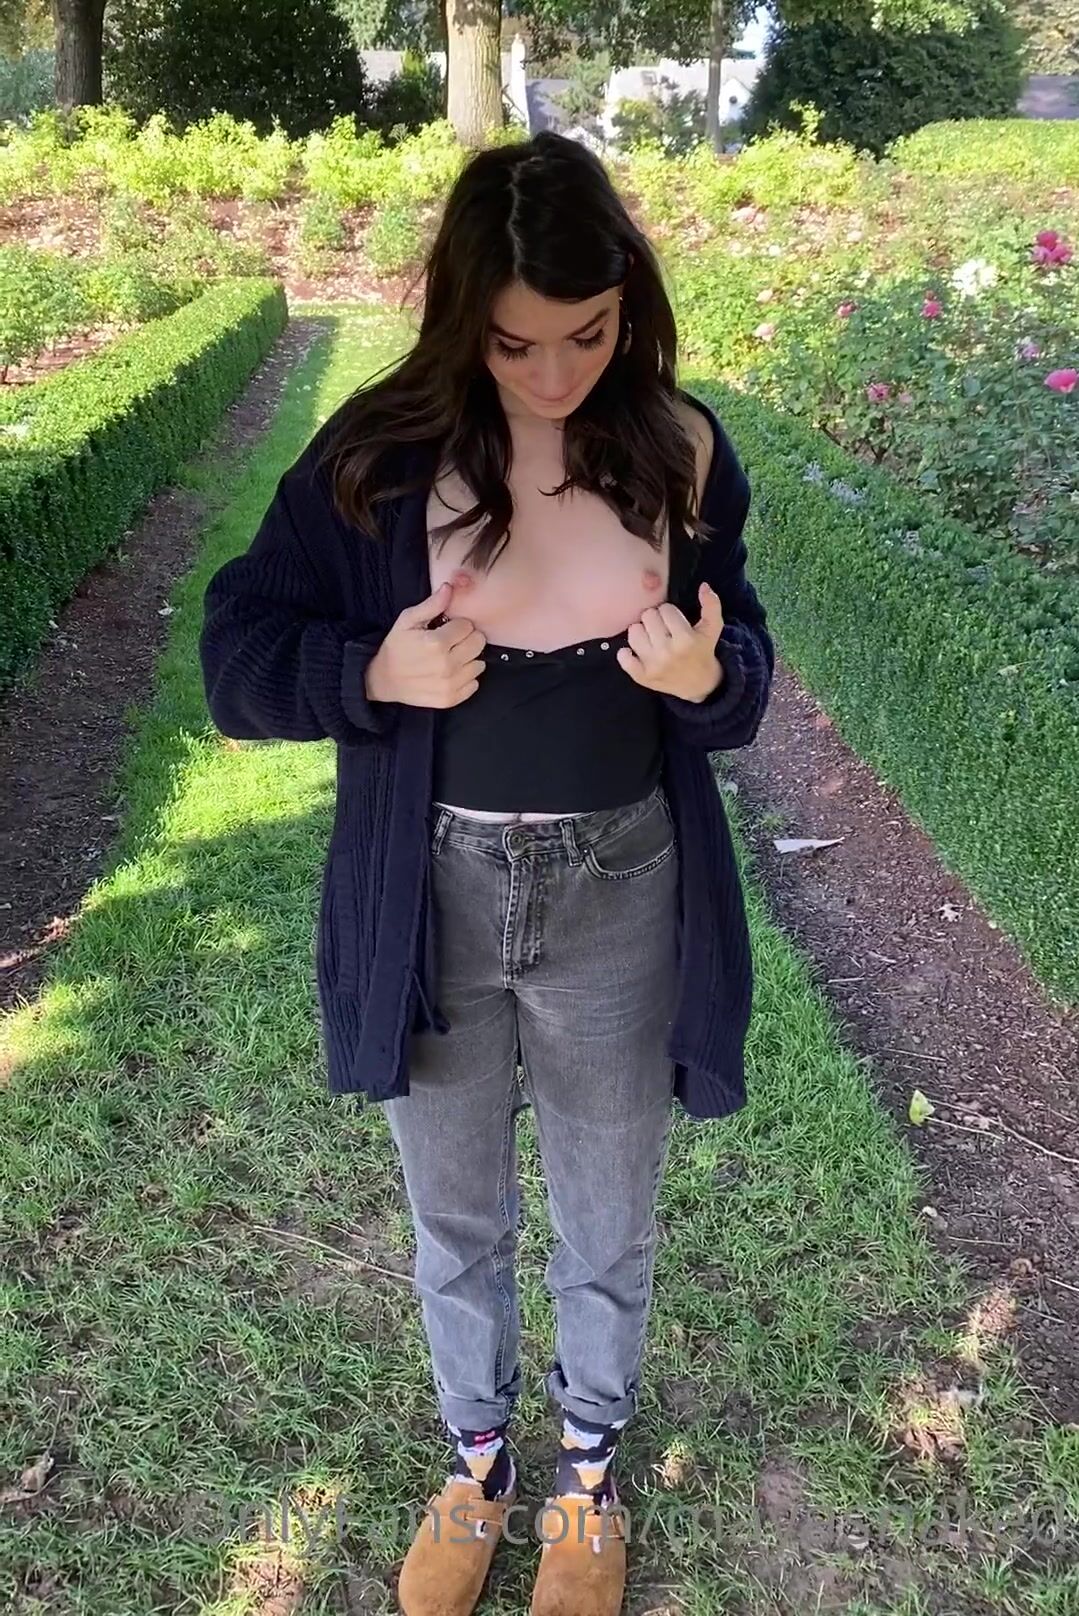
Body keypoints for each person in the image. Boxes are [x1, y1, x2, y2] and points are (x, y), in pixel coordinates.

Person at [198, 129, 774, 1616]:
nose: (556, 374)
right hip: (436, 897)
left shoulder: (680, 450)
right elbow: (237, 649)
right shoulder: (377, 461)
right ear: (465, 314)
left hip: (623, 889)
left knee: (606, 1207)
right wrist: (368, 671)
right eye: (517, 343)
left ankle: (588, 1474)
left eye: (590, 333)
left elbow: (742, 669)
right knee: (455, 1213)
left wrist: (708, 676)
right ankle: (477, 1464)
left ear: (628, 302)